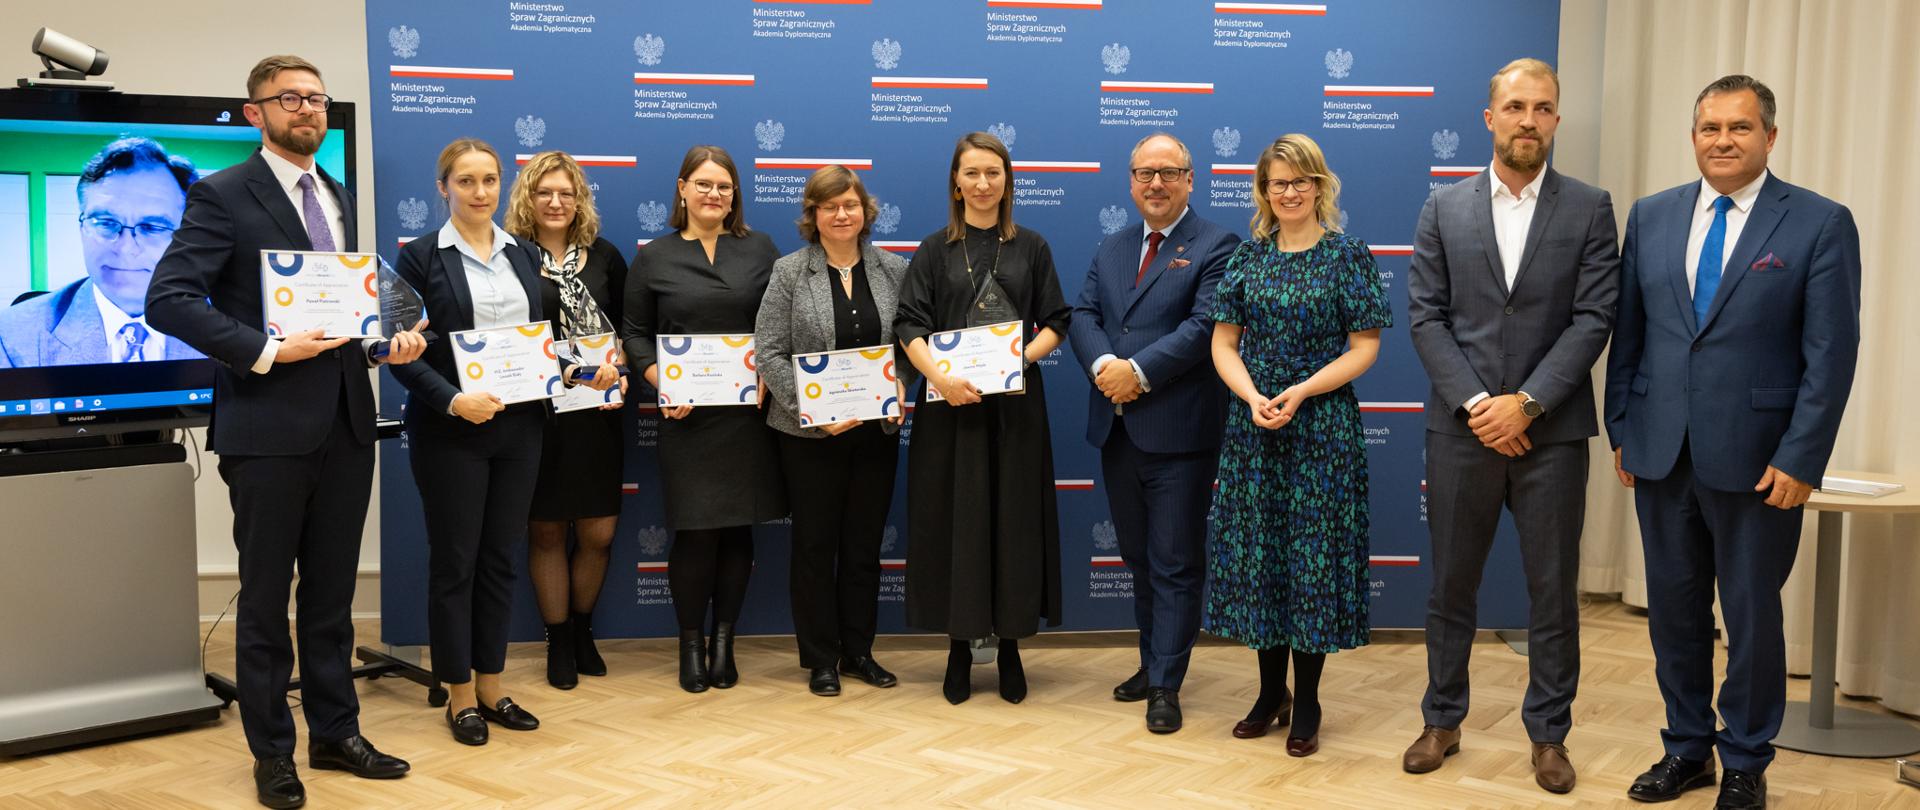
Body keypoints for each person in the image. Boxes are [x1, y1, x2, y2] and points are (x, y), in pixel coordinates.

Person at [146, 55, 425, 809]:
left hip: (345, 423)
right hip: (266, 429)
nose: (307, 109)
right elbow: (168, 300)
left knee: (331, 601)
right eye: (290, 98)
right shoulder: (221, 193)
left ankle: (337, 733)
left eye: (317, 98)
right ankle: (273, 754)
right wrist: (265, 351)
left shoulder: (334, 194)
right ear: (254, 113)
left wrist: (385, 342)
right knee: (267, 603)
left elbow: (344, 315)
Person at [1606, 75, 1860, 810]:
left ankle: (1746, 758)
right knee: (1674, 612)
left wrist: (1801, 456)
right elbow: (1632, 333)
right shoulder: (1652, 218)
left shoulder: (1818, 222)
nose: (1723, 140)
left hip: (1759, 462)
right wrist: (1623, 425)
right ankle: (1686, 750)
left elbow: (1831, 355)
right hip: (1659, 453)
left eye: (1740, 128)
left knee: (1751, 616)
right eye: (1710, 127)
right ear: (1693, 137)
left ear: (1769, 138)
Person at [1401, 58, 1621, 794]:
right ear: (1489, 117)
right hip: (1461, 431)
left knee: (1553, 591)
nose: (1530, 120)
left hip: (1550, 436)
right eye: (1517, 106)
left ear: (1558, 120)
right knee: (1450, 588)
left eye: (1545, 108)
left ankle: (1550, 736)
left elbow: (1595, 318)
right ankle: (1442, 721)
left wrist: (1525, 404)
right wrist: (1479, 406)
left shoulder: (1591, 208)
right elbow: (1426, 317)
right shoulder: (1442, 209)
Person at [391, 138, 597, 745]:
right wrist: (453, 400)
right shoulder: (420, 258)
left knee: (502, 559)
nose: (479, 193)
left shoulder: (527, 254)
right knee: (456, 562)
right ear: (444, 188)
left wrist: (587, 370)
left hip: (521, 427)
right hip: (452, 429)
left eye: (488, 181)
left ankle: (492, 685)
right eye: (465, 181)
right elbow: (404, 352)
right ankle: (457, 696)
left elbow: (546, 344)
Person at [1206, 133, 1390, 758]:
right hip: (1255, 429)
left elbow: (1365, 347)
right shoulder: (1247, 259)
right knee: (1262, 560)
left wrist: (1302, 390)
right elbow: (1222, 344)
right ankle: (1268, 693)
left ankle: (1306, 698)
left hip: (1322, 430)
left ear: (1320, 185)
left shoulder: (1348, 257)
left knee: (1311, 563)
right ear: (1263, 191)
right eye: (1277, 183)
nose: (1289, 192)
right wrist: (1253, 396)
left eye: (1300, 180)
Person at [1066, 132, 1238, 734]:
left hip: (1180, 435)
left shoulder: (1218, 244)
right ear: (1131, 181)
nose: (1156, 184)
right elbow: (1082, 316)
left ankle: (1166, 683)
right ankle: (1151, 661)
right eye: (1145, 173)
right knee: (1139, 559)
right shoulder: (1112, 247)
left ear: (1191, 179)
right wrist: (1101, 369)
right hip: (1117, 432)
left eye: (1168, 173)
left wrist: (1135, 372)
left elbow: (1204, 327)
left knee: (1174, 563)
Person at [894, 131, 1070, 706]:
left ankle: (1013, 647)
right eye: (971, 173)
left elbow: (1057, 322)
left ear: (1007, 180)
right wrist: (941, 378)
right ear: (956, 181)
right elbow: (910, 328)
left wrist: (1014, 360)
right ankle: (957, 647)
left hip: (1015, 411)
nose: (982, 183)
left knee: (1012, 525)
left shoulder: (1032, 247)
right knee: (956, 524)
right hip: (950, 413)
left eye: (993, 172)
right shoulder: (932, 250)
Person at [621, 145, 787, 693]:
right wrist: (660, 381)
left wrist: (769, 373)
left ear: (734, 194)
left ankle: (725, 643)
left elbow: (780, 323)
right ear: (683, 189)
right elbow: (636, 334)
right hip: (686, 416)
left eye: (724, 185)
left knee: (738, 532)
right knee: (694, 536)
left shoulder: (761, 248)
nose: (714, 194)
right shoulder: (655, 257)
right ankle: (690, 645)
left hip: (748, 416)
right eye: (704, 184)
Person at [753, 165, 912, 697]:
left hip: (874, 434)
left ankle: (859, 652)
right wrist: (810, 409)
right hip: (810, 438)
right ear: (813, 216)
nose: (841, 214)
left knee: (864, 547)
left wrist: (900, 391)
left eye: (850, 205)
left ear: (866, 211)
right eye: (829, 206)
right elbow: (769, 351)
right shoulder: (790, 272)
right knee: (816, 548)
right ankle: (820, 657)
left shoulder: (895, 269)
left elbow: (912, 346)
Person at [502, 151, 629, 690]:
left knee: (598, 532)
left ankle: (583, 631)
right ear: (527, 199)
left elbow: (627, 329)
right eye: (544, 192)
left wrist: (620, 367)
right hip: (540, 412)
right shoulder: (510, 258)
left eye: (567, 193)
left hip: (597, 412)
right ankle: (557, 640)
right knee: (548, 531)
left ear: (580, 200)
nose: (556, 202)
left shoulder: (606, 257)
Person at [0, 136, 204, 367]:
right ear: (81, 227)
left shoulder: (237, 322)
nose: (126, 248)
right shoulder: (10, 336)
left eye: (152, 227)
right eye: (106, 222)